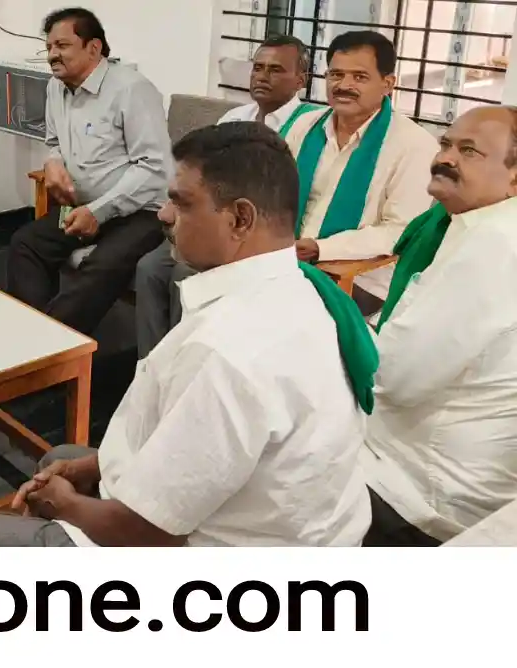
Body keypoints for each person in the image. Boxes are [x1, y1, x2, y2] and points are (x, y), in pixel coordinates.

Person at [0, 122, 374, 547]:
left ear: (240, 219)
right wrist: (93, 468)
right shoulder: (302, 290)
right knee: (63, 459)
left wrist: (63, 505)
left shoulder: (225, 352)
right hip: (297, 527)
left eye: (181, 203)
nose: (164, 215)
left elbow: (144, 533)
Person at [360, 105, 517, 546]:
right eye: (446, 143)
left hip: (415, 493)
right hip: (426, 468)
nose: (445, 157)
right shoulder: (469, 227)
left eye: (469, 151)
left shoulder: (495, 244)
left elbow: (392, 377)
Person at [134, 34, 317, 357]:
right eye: (258, 68)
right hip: (210, 216)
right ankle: (152, 363)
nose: (262, 76)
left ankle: (188, 359)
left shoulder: (309, 126)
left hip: (251, 234)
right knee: (149, 268)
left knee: (183, 272)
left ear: (300, 80)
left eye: (275, 70)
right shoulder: (235, 118)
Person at [7, 7, 170, 337]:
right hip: (82, 208)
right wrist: (53, 162)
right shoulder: (56, 87)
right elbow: (54, 141)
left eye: (62, 45)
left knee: (100, 266)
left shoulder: (132, 90)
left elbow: (155, 167)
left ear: (93, 48)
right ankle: (35, 337)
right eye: (49, 47)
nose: (52, 55)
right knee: (26, 244)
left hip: (141, 212)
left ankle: (52, 348)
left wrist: (99, 211)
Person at [284, 31, 438, 311]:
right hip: (288, 259)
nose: (344, 85)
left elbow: (399, 230)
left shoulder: (415, 145)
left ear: (388, 84)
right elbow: (275, 194)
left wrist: (320, 248)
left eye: (359, 77)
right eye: (336, 75)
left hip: (362, 277)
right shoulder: (305, 125)